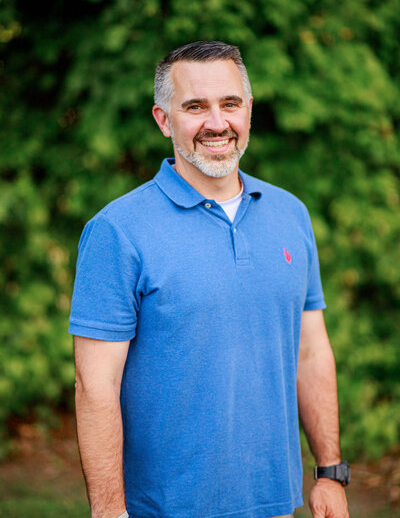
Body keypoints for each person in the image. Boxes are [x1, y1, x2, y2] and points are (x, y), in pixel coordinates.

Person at [69, 41, 350, 518]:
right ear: (163, 120)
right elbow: (94, 386)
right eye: (195, 107)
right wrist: (110, 512)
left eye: (230, 103)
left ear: (249, 110)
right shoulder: (118, 231)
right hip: (164, 508)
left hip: (277, 503)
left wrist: (329, 472)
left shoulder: (290, 215)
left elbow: (311, 351)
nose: (217, 123)